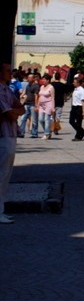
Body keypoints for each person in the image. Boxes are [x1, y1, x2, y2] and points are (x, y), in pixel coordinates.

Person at [0, 63, 24, 224]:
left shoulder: (7, 89)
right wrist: (14, 112)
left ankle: (1, 209)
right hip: (3, 135)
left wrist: (14, 112)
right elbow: (10, 114)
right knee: (1, 174)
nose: (11, 73)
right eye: (7, 71)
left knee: (5, 175)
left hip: (10, 134)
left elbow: (20, 108)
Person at [18, 73, 39, 137]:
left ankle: (34, 133)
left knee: (34, 120)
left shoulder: (36, 86)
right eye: (28, 77)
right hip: (26, 104)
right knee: (23, 118)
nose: (29, 78)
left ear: (33, 78)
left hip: (33, 105)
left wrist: (36, 105)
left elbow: (36, 96)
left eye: (30, 77)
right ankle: (21, 133)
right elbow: (26, 93)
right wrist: (21, 96)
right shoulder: (28, 85)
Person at [69, 77, 84, 141]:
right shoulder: (75, 89)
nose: (73, 83)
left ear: (78, 83)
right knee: (71, 121)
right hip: (74, 107)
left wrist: (83, 110)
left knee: (78, 122)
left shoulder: (81, 90)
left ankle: (78, 136)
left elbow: (83, 101)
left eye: (74, 82)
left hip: (79, 107)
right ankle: (82, 132)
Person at [36, 74, 55, 140]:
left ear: (48, 80)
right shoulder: (41, 87)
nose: (43, 80)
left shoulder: (51, 87)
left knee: (46, 119)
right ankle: (48, 131)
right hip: (41, 105)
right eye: (42, 79)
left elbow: (52, 98)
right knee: (41, 119)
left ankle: (46, 134)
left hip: (48, 104)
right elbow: (40, 96)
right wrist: (37, 106)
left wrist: (53, 107)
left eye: (44, 79)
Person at [51, 71, 67, 135]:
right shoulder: (62, 85)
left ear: (54, 77)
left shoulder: (51, 84)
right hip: (60, 102)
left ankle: (53, 128)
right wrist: (65, 99)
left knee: (52, 116)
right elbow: (65, 94)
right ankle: (56, 129)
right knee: (58, 116)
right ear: (60, 77)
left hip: (52, 102)